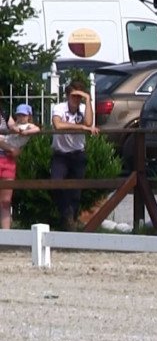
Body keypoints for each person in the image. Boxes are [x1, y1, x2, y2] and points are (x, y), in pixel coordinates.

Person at [51, 81, 99, 231]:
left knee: (76, 191)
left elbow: (89, 122)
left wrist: (88, 99)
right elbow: (58, 125)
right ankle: (66, 214)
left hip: (78, 154)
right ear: (67, 96)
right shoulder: (59, 108)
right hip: (61, 154)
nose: (76, 99)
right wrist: (81, 127)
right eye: (74, 96)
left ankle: (71, 220)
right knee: (56, 183)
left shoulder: (84, 108)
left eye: (79, 97)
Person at [0, 104, 40, 229]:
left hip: (8, 159)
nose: (21, 117)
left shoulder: (5, 114)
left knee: (5, 201)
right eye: (19, 115)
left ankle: (6, 236)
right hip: (8, 151)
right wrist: (12, 148)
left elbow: (36, 129)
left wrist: (23, 131)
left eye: (23, 115)